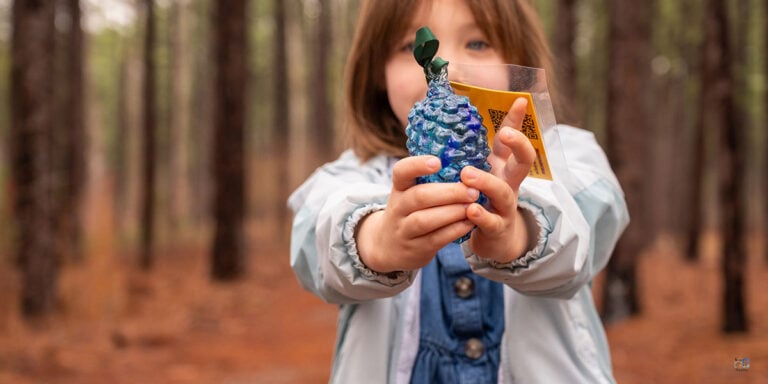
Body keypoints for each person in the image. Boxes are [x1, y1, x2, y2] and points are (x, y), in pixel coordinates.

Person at [288, 0, 629, 383]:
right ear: (375, 74)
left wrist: (519, 229)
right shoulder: (356, 174)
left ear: (518, 58)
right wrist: (374, 239)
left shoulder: (561, 154)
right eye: (409, 47)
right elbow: (314, 232)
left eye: (478, 44)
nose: (445, 66)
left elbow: (592, 216)